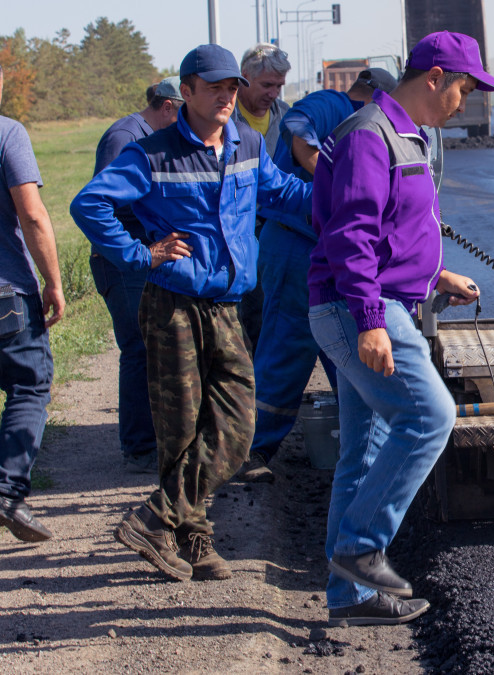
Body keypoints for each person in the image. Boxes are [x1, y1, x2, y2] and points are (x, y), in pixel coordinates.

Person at [71, 44, 311, 581]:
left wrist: (347, 198)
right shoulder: (153, 153)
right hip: (173, 306)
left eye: (231, 88)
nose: (227, 96)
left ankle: (156, 517)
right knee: (182, 428)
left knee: (237, 424)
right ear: (187, 92)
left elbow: (283, 194)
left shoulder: (247, 142)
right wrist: (139, 253)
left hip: (226, 305)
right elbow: (89, 204)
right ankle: (195, 542)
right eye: (214, 88)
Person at [308, 31, 494, 627]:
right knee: (429, 417)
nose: (466, 101)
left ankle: (351, 599)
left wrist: (435, 273)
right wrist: (371, 322)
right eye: (466, 87)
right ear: (438, 76)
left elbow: (393, 228)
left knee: (363, 454)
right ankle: (360, 549)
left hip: (377, 301)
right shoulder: (372, 134)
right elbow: (353, 235)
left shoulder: (404, 135)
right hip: (360, 309)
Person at [241, 68, 399, 484]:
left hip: (320, 245)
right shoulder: (336, 104)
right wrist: (336, 184)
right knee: (287, 348)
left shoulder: (360, 120)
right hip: (295, 244)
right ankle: (250, 449)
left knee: (344, 350)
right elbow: (298, 129)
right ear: (374, 94)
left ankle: (363, 447)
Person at [89, 77, 185, 474]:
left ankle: (153, 440)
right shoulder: (125, 137)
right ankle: (139, 447)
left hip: (138, 259)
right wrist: (144, 249)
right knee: (137, 349)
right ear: (166, 106)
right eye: (183, 111)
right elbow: (106, 206)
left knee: (150, 347)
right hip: (122, 261)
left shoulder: (149, 136)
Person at [0, 63, 66, 543]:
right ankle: (7, 494)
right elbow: (33, 215)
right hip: (6, 291)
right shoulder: (8, 134)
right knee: (28, 385)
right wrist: (53, 282)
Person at [235, 43, 293, 349]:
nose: (273, 93)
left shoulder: (287, 118)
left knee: (271, 308)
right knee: (242, 309)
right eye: (267, 85)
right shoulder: (225, 119)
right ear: (244, 77)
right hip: (236, 230)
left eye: (279, 86)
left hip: (274, 230)